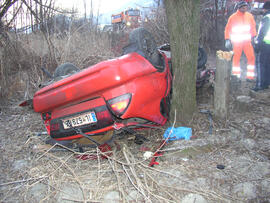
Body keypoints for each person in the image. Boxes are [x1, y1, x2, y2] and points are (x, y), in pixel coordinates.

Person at [224, 1, 257, 80]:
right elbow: (227, 29)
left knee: (251, 58)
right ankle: (236, 76)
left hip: (247, 42)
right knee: (236, 59)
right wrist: (227, 39)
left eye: (246, 7)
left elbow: (253, 27)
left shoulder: (250, 16)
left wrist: (254, 37)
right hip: (237, 42)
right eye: (243, 7)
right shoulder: (233, 17)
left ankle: (250, 76)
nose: (245, 8)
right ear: (239, 8)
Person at [253, 1, 270, 91]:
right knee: (268, 65)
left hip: (264, 44)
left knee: (260, 65)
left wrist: (257, 44)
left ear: (265, 9)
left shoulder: (266, 18)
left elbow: (262, 33)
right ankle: (266, 83)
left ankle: (259, 85)